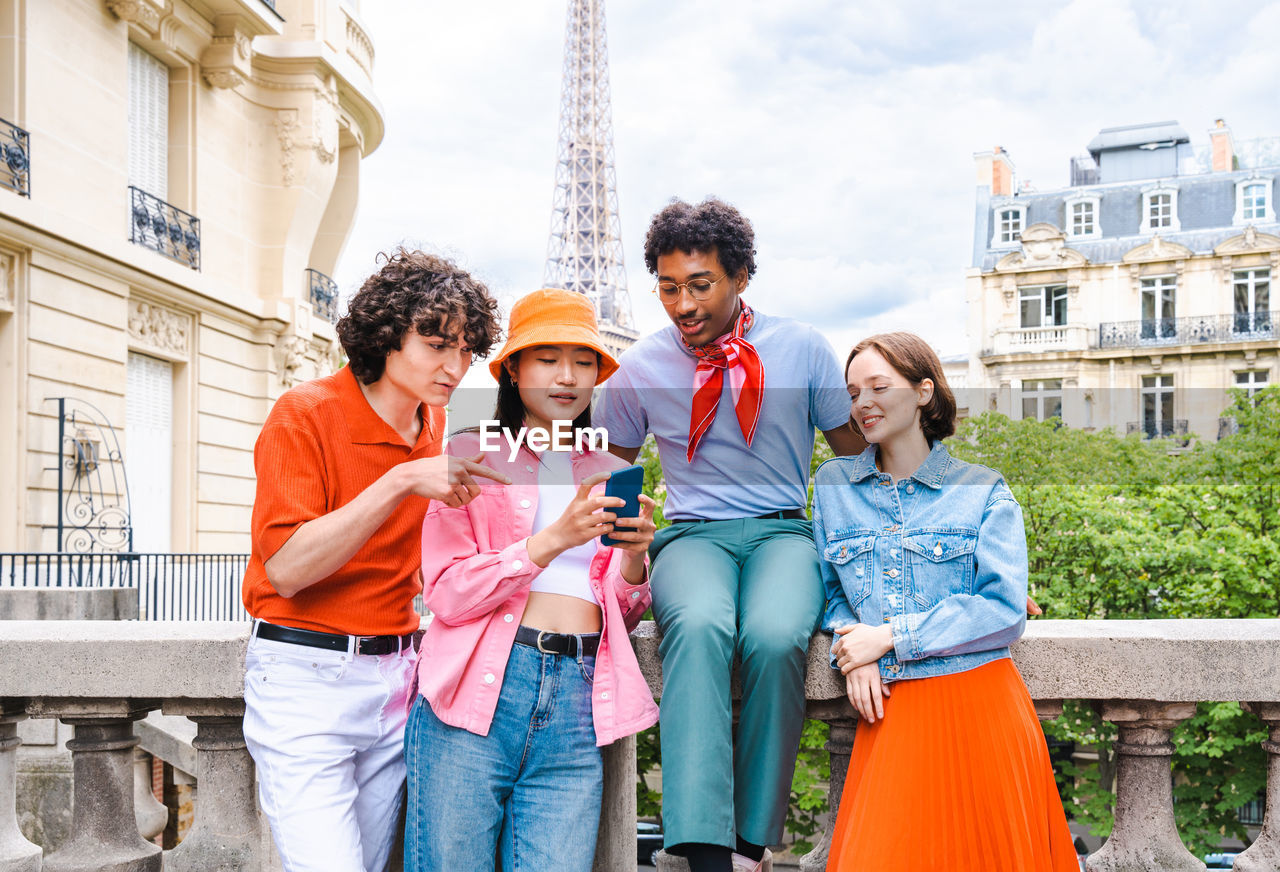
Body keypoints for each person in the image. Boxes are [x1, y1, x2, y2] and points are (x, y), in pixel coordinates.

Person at [595, 198, 865, 872]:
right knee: (700, 627)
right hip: (691, 536)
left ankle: (752, 842)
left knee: (776, 638)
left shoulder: (801, 348)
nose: (682, 304)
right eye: (666, 287)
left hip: (783, 533)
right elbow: (605, 474)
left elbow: (858, 464)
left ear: (741, 276)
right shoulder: (641, 368)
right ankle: (707, 852)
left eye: (699, 284)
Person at [240, 249, 507, 872]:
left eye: (466, 350)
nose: (455, 365)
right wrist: (401, 482)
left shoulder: (440, 426)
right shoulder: (303, 413)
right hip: (305, 677)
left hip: (398, 680)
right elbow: (286, 568)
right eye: (437, 343)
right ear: (386, 334)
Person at [403, 288, 660, 872]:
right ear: (513, 369)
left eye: (584, 359)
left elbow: (619, 610)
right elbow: (443, 591)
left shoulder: (612, 471)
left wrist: (633, 561)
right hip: (479, 690)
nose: (567, 375)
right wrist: (548, 542)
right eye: (547, 358)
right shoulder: (470, 455)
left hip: (577, 697)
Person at [814, 331, 1078, 871]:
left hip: (979, 707)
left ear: (923, 391)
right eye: (853, 392)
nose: (863, 403)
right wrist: (851, 648)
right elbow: (829, 590)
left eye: (879, 387)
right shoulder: (835, 486)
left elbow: (1004, 609)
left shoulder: (984, 489)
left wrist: (885, 638)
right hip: (892, 715)